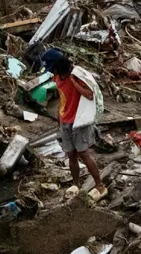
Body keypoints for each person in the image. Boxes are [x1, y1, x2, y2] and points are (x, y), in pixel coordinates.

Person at [44, 48, 107, 202]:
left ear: (59, 66)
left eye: (52, 68)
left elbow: (90, 94)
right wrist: (60, 119)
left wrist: (73, 82)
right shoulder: (57, 77)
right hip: (65, 119)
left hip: (79, 120)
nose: (51, 72)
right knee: (71, 154)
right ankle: (76, 185)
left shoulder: (76, 75)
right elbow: (62, 97)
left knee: (83, 153)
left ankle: (100, 185)